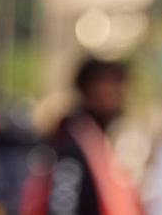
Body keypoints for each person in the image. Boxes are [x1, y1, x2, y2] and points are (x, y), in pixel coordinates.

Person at [42, 56, 142, 215]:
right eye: (110, 86)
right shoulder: (72, 141)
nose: (118, 95)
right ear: (89, 90)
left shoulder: (95, 138)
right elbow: (62, 204)